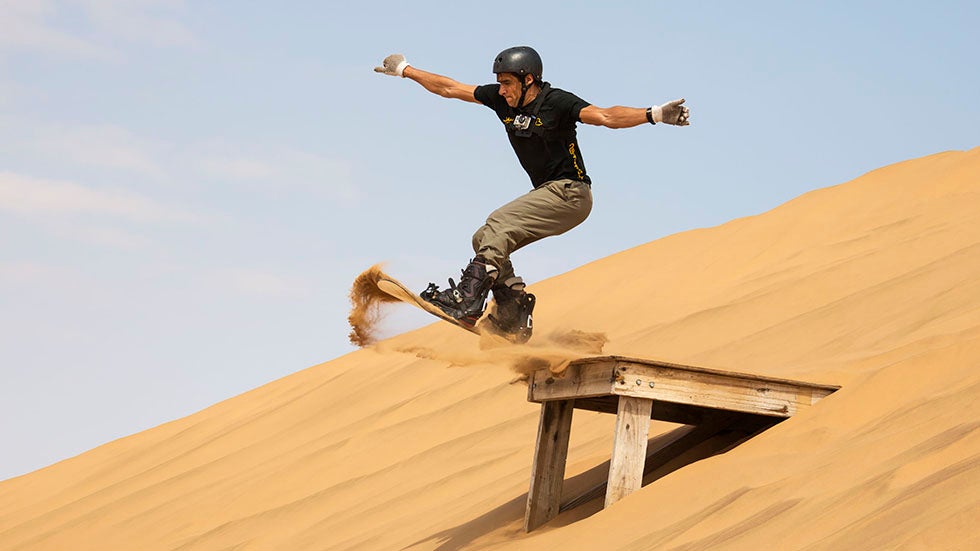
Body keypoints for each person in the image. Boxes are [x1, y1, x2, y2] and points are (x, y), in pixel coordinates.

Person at [374, 46, 690, 343]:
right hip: (548, 194)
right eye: (499, 84)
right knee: (483, 237)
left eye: (508, 83)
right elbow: (449, 88)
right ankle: (513, 308)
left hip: (571, 193)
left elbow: (607, 116)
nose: (502, 90)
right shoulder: (501, 99)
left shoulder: (558, 103)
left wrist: (655, 114)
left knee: (498, 223)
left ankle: (466, 301)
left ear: (529, 80)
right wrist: (405, 69)